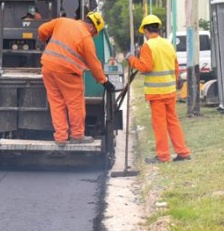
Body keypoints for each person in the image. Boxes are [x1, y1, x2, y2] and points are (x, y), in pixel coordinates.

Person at [38, 11, 115, 144]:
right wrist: (104, 81)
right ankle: (77, 136)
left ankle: (61, 138)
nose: (93, 35)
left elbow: (41, 29)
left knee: (56, 103)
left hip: (48, 67)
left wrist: (44, 38)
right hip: (67, 72)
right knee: (75, 105)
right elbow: (94, 63)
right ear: (92, 27)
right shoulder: (86, 37)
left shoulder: (62, 21)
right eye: (94, 33)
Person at [127, 15, 192, 164]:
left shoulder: (148, 46)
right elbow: (176, 68)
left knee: (159, 124)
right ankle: (183, 152)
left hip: (156, 93)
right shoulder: (168, 44)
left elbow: (145, 67)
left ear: (145, 31)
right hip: (169, 90)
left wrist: (131, 59)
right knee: (173, 121)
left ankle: (163, 156)